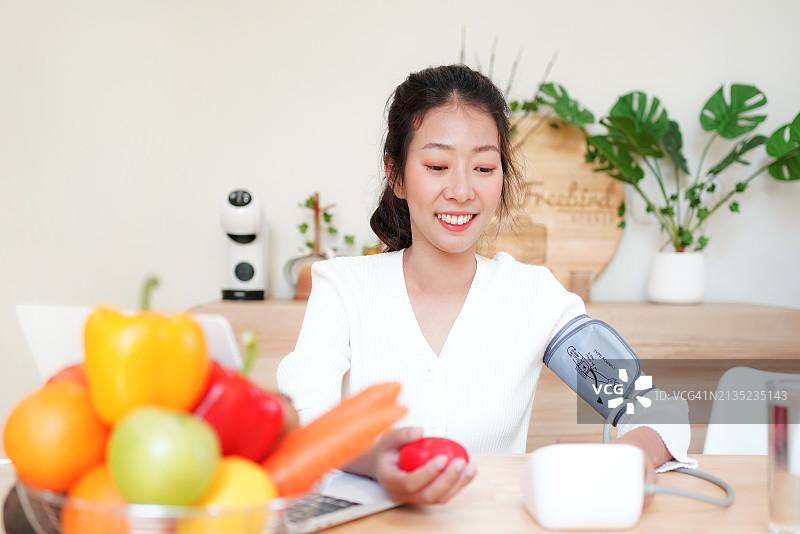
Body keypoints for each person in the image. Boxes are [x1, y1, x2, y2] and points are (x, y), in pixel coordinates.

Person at [277, 64, 694, 505]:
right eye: (437, 165)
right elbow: (304, 419)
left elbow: (654, 409)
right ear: (396, 175)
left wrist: (631, 456)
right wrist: (376, 460)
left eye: (482, 167)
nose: (461, 190)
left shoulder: (535, 297)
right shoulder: (344, 287)